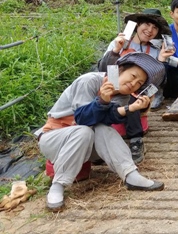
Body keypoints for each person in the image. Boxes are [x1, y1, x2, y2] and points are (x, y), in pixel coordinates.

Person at [35, 52, 166, 212]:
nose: (133, 83)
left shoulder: (123, 96)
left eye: (139, 83)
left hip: (85, 145)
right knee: (84, 131)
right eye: (132, 76)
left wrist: (132, 108)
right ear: (120, 69)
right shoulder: (89, 81)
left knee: (101, 128)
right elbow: (82, 118)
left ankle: (130, 174)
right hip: (55, 139)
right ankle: (58, 185)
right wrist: (102, 100)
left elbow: (108, 117)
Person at [97, 9, 172, 163]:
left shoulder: (156, 51)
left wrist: (162, 61)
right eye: (147, 24)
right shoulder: (119, 42)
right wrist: (116, 50)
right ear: (137, 25)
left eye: (155, 28)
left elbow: (156, 83)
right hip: (111, 85)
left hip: (135, 91)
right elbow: (102, 68)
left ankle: (136, 141)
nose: (150, 30)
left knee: (133, 97)